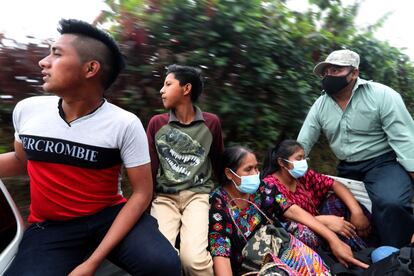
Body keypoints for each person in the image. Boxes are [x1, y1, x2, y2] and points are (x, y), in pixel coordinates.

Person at [0, 19, 180, 276]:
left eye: (57, 54)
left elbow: (141, 194)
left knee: (164, 266)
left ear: (90, 68)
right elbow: (22, 161)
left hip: (107, 217)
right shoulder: (27, 110)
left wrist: (92, 263)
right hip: (50, 227)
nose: (43, 62)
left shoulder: (124, 124)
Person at [297, 49, 414, 248]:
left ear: (354, 73)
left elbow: (404, 140)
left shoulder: (382, 96)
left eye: (336, 70)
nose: (329, 76)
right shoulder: (320, 105)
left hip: (383, 163)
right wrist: (287, 165)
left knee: (392, 203)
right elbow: (303, 142)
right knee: (326, 208)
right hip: (347, 167)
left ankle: (397, 256)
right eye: (326, 72)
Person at [208, 146, 368, 276]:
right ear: (229, 173)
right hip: (251, 267)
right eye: (248, 169)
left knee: (317, 267)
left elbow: (292, 210)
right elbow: (221, 252)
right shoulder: (218, 205)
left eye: (256, 168)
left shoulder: (262, 189)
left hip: (278, 246)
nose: (255, 174)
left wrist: (334, 240)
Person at [147, 64, 223, 275]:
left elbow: (218, 161)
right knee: (159, 258)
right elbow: (150, 168)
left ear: (186, 88)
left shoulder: (211, 123)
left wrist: (229, 195)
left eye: (168, 84)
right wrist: (143, 209)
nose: (161, 90)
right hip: (164, 198)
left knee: (194, 261)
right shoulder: (157, 123)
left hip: (197, 197)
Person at [261, 139, 373, 250]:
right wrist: (324, 221)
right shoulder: (270, 186)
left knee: (338, 202)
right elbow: (287, 223)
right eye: (299, 158)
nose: (303, 162)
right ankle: (361, 251)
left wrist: (356, 212)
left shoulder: (303, 176)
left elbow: (335, 184)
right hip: (298, 234)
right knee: (335, 231)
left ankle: (371, 243)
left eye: (304, 157)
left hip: (318, 220)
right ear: (281, 162)